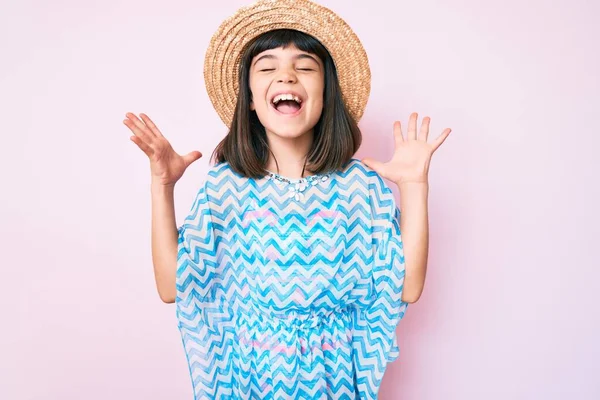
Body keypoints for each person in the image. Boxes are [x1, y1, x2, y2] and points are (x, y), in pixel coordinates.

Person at [123, 0, 451, 398]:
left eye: (305, 66)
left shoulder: (360, 188)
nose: (287, 75)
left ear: (327, 94)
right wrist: (163, 185)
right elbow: (173, 287)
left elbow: (407, 287)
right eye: (267, 67)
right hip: (250, 380)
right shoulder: (227, 186)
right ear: (250, 99)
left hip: (331, 383)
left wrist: (415, 186)